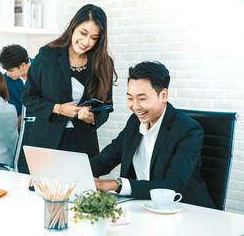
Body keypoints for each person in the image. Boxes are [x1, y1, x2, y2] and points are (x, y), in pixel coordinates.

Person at [90, 61, 215, 208]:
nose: (135, 106)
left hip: (185, 210)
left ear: (163, 95)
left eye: (142, 99)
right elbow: (104, 161)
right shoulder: (135, 122)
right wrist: (75, 171)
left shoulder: (188, 130)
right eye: (130, 98)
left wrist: (116, 184)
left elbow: (172, 186)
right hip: (142, 207)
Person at [21, 4, 117, 159]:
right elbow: (28, 97)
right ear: (74, 26)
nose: (86, 42)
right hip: (46, 142)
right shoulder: (47, 56)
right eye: (83, 33)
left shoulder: (104, 63)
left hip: (83, 144)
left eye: (94, 38)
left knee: (83, 184)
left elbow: (107, 106)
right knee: (44, 184)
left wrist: (92, 118)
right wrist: (58, 108)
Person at [0, 44, 33, 128]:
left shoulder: (42, 69)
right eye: (6, 70)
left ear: (23, 65)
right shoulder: (6, 79)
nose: (8, 73)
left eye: (10, 70)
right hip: (21, 128)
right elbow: (15, 109)